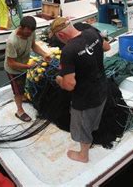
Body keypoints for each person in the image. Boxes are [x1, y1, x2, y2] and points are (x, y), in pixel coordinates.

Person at [51, 17, 111, 163]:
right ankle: (90, 137)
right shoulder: (91, 32)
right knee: (93, 119)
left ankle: (83, 155)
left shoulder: (68, 51)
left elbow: (70, 85)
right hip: (102, 88)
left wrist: (59, 79)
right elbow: (107, 47)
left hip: (85, 98)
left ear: (60, 35)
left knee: (82, 125)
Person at [4, 16, 51, 122]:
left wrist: (44, 54)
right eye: (27, 32)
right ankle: (19, 111)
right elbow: (11, 63)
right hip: (13, 70)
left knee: (22, 87)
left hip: (24, 66)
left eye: (31, 32)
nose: (29, 34)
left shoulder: (31, 32)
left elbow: (33, 45)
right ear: (21, 27)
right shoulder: (12, 41)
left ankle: (22, 98)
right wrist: (29, 66)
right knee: (18, 92)